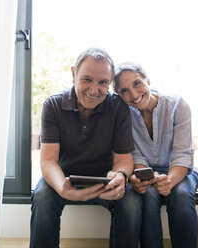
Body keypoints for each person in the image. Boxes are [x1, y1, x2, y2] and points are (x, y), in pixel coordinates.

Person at [30, 48, 142, 248]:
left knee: (131, 203)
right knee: (42, 197)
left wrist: (121, 177)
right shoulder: (53, 105)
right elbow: (48, 161)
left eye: (103, 82)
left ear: (110, 83)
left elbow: (124, 160)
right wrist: (62, 188)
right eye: (87, 79)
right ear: (74, 74)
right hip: (63, 176)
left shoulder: (118, 108)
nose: (94, 90)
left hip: (105, 179)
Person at [113, 61, 198, 248]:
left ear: (148, 80)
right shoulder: (124, 115)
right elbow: (136, 157)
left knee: (181, 194)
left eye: (137, 83)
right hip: (147, 171)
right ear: (119, 95)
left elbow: (182, 154)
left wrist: (169, 180)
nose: (134, 94)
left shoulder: (178, 106)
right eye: (124, 91)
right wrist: (142, 178)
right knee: (148, 195)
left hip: (180, 170)